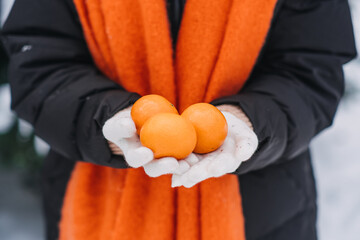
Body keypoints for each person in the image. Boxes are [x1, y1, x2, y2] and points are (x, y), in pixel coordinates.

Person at [1, 0, 356, 239]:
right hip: (97, 197)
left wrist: (251, 122)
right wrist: (100, 119)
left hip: (261, 210)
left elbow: (311, 68)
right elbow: (39, 61)